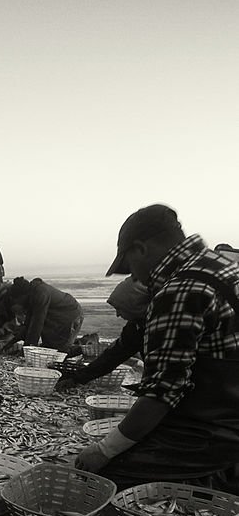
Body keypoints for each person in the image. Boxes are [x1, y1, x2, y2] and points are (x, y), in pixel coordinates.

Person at [75, 204, 239, 491]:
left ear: (141, 249)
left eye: (130, 269)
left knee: (103, 479)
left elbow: (163, 392)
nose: (136, 278)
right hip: (226, 415)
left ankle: (214, 484)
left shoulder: (180, 288)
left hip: (216, 431)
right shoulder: (224, 266)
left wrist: (103, 450)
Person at [55, 277, 149, 392]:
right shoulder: (135, 326)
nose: (118, 315)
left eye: (120, 308)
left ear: (135, 306)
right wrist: (77, 378)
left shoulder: (156, 325)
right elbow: (112, 356)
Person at [5, 276, 84, 352]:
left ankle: (85, 346)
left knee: (60, 351)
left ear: (22, 296)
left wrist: (27, 349)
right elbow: (28, 326)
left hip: (71, 315)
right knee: (50, 347)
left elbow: (37, 325)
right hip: (58, 317)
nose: (17, 304)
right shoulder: (31, 295)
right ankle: (79, 344)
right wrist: (11, 343)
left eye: (17, 301)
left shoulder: (40, 293)